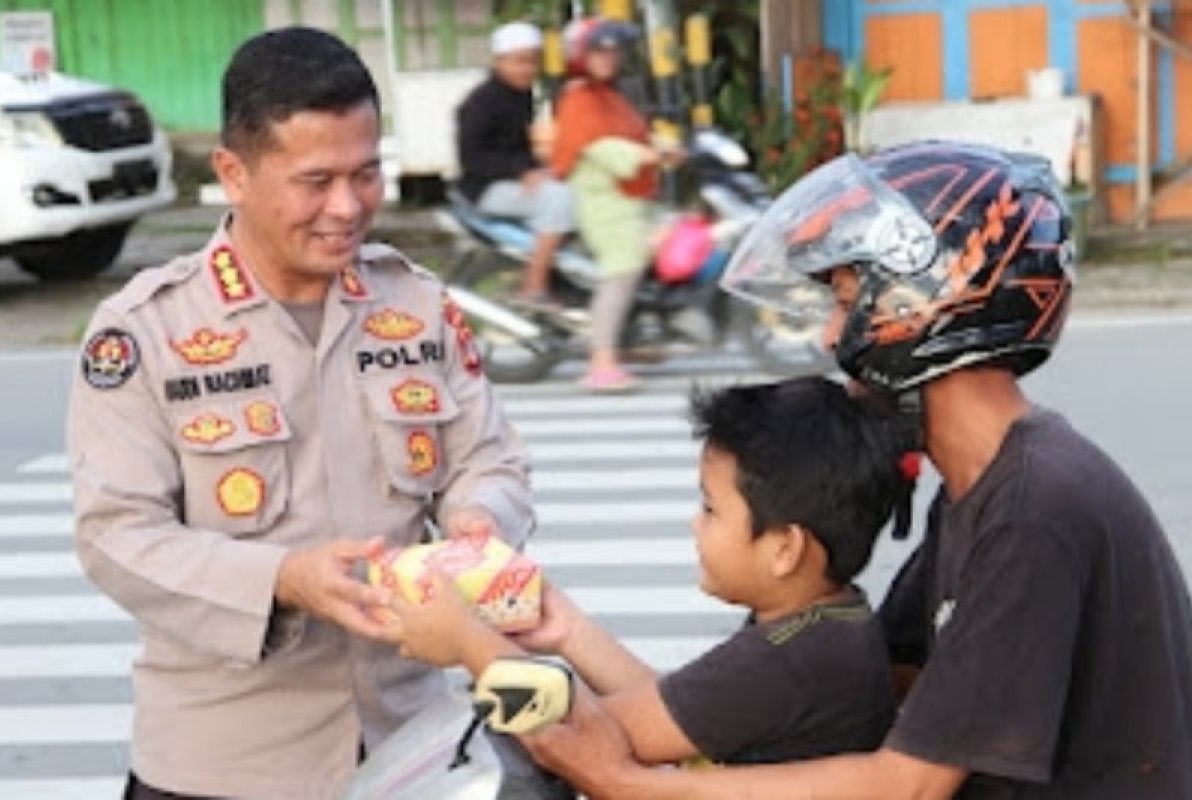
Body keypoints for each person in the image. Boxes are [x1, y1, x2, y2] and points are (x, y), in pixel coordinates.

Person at [518, 142, 1192, 798]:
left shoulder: (1030, 509)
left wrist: (626, 783)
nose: (829, 337)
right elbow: (884, 678)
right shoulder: (983, 485)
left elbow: (911, 783)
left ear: (920, 309)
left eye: (846, 302)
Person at [67, 28, 533, 799]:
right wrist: (283, 578)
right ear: (233, 172)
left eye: (367, 173)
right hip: (224, 766)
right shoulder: (147, 330)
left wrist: (480, 523)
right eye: (315, 181)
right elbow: (116, 535)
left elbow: (489, 456)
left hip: (412, 746)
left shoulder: (414, 303)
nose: (347, 208)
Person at [387, 376, 905, 766]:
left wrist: (467, 641)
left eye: (711, 509)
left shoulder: (789, 661)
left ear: (785, 548)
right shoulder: (824, 622)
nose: (695, 525)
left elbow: (585, 735)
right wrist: (566, 629)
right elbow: (672, 714)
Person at [550, 18, 671, 392]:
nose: (609, 58)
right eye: (599, 51)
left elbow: (636, 133)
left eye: (613, 51)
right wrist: (652, 154)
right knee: (625, 265)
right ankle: (601, 361)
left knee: (676, 237)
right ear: (581, 55)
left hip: (631, 197)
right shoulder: (578, 99)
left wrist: (660, 147)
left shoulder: (611, 95)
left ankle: (629, 339)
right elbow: (606, 149)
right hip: (604, 201)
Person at [456, 21, 576, 303]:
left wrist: (541, 168)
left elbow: (519, 147)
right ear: (500, 61)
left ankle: (562, 277)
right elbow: (472, 159)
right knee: (558, 200)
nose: (528, 69)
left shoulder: (521, 96)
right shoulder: (481, 103)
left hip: (513, 181)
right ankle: (533, 286)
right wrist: (521, 171)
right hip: (484, 189)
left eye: (533, 61)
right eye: (520, 61)